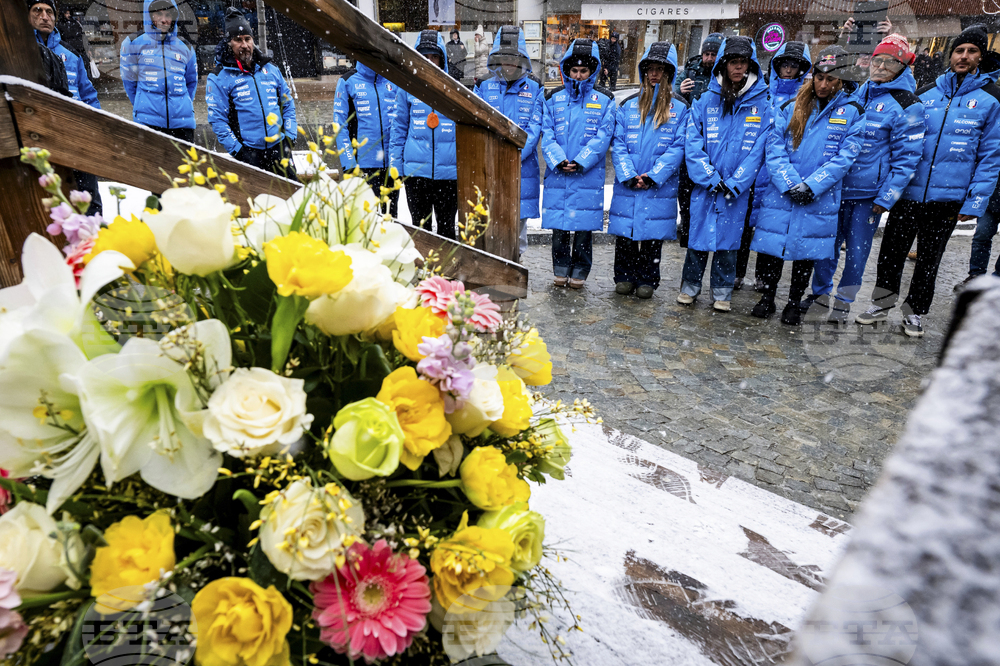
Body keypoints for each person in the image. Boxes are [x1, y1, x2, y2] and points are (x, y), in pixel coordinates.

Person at [857, 25, 1000, 338]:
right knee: (891, 254)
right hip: (908, 192)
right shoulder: (925, 94)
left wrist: (976, 200)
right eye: (959, 50)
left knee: (929, 259)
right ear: (950, 55)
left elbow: (991, 157)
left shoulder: (990, 101)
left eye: (971, 51)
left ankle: (915, 312)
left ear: (980, 57)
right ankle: (881, 304)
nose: (964, 56)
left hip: (947, 199)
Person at [807, 34, 924, 323]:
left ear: (903, 66)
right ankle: (819, 296)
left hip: (868, 197)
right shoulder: (857, 93)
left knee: (856, 257)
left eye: (890, 62)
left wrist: (886, 197)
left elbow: (907, 158)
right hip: (836, 189)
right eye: (877, 59)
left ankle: (844, 303)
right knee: (825, 249)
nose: (881, 66)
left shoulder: (908, 104)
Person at [750, 46, 865, 325]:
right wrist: (790, 183)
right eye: (820, 77)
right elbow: (774, 149)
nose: (824, 84)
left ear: (841, 80)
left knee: (806, 253)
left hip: (818, 197)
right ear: (812, 77)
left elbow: (845, 157)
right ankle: (766, 297)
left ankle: (793, 301)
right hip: (782, 194)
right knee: (770, 250)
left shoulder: (852, 112)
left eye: (831, 79)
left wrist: (812, 186)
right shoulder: (790, 108)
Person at [679, 36, 769, 312]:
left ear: (750, 65)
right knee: (697, 239)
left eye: (743, 63)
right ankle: (689, 288)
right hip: (705, 187)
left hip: (735, 190)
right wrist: (708, 176)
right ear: (724, 65)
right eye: (733, 63)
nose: (738, 68)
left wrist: (736, 182)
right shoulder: (706, 100)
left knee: (729, 244)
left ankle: (722, 293)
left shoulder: (762, 104)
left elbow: (759, 150)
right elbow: (692, 143)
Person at [608, 41, 688, 299]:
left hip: (658, 185)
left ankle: (647, 279)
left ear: (669, 73)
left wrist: (654, 176)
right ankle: (623, 276)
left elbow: (678, 147)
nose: (654, 74)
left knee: (653, 236)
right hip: (629, 182)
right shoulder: (628, 105)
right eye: (650, 69)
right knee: (626, 233)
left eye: (660, 69)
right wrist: (629, 174)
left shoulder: (680, 108)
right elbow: (617, 143)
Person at [540, 38, 615, 288]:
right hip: (559, 172)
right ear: (567, 70)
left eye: (584, 70)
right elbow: (547, 133)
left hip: (587, 174)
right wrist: (559, 160)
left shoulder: (605, 99)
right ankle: (560, 267)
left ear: (592, 71)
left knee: (583, 228)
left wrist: (581, 161)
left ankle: (580, 269)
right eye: (574, 70)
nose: (579, 75)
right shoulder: (553, 98)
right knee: (560, 227)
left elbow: (604, 136)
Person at [739, 40, 812, 291]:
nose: (788, 70)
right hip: (754, 168)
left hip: (779, 171)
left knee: (770, 227)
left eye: (794, 66)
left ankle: (763, 277)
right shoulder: (764, 91)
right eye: (784, 65)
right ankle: (738, 271)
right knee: (744, 223)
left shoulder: (805, 99)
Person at [474, 26, 544, 257]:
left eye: (514, 58)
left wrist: (514, 154)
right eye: (504, 57)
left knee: (518, 223)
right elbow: (478, 124)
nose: (509, 63)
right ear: (497, 58)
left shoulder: (536, 88)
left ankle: (516, 264)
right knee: (491, 219)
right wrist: (494, 153)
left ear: (522, 58)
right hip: (490, 165)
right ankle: (493, 264)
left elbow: (535, 128)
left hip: (523, 167)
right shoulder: (483, 85)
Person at [28, 0, 102, 215]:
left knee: (88, 197)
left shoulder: (71, 54)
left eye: (49, 12)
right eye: (37, 11)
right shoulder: (22, 51)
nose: (45, 16)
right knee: (52, 201)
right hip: (41, 137)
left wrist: (94, 128)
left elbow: (89, 95)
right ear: (27, 16)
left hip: (78, 136)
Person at [206, 8, 297, 177]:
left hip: (279, 148)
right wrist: (239, 151)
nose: (245, 45)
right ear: (228, 43)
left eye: (248, 39)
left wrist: (289, 137)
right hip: (248, 152)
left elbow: (288, 105)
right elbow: (217, 120)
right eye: (238, 40)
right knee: (252, 202)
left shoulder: (271, 69)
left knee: (292, 198)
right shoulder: (219, 77)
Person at [390, 31, 458, 238]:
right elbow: (399, 129)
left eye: (434, 57)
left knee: (447, 233)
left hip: (448, 175)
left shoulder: (455, 89)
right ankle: (422, 271)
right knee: (420, 232)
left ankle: (446, 272)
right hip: (416, 173)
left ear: (442, 59)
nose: (429, 61)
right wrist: (396, 166)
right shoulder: (407, 87)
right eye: (424, 56)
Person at [120, 0, 198, 142]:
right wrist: (144, 105)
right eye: (158, 14)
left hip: (182, 124)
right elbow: (129, 82)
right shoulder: (133, 43)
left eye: (168, 14)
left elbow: (191, 83)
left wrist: (180, 106)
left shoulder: (186, 47)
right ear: (149, 15)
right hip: (148, 123)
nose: (163, 20)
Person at [674, 32, 723, 249]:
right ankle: (687, 231)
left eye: (714, 54)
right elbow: (672, 98)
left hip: (715, 141)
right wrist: (679, 91)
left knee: (711, 190)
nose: (709, 58)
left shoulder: (724, 75)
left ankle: (709, 233)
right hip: (690, 140)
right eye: (707, 54)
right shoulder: (689, 72)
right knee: (685, 189)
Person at [333, 59, 399, 216]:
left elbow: (401, 123)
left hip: (391, 166)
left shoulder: (393, 80)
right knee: (364, 222)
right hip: (362, 166)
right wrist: (349, 164)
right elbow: (339, 127)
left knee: (391, 220)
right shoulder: (348, 81)